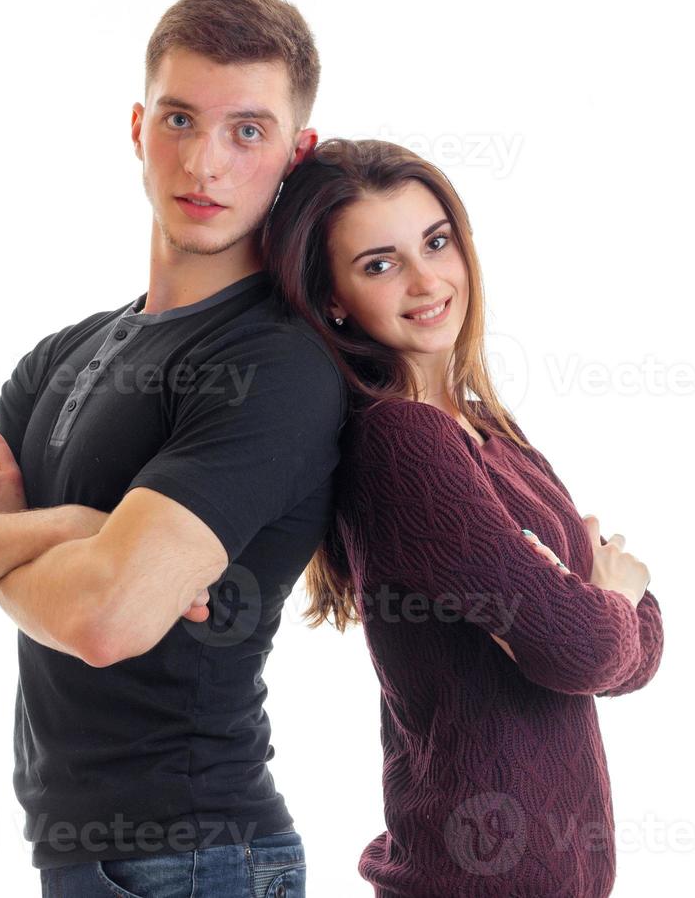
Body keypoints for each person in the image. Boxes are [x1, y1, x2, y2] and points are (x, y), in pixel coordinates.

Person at [0, 0, 344, 898]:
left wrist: (2, 541)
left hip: (200, 859)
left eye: (247, 130)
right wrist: (71, 526)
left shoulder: (275, 365)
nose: (204, 162)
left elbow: (103, 620)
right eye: (179, 118)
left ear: (296, 153)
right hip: (88, 861)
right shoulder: (67, 352)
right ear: (137, 127)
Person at [262, 138, 665, 898]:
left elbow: (631, 653)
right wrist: (605, 595)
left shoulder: (487, 429)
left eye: (436, 242)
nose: (426, 280)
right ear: (334, 300)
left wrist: (590, 605)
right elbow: (581, 647)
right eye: (380, 264)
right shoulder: (399, 441)